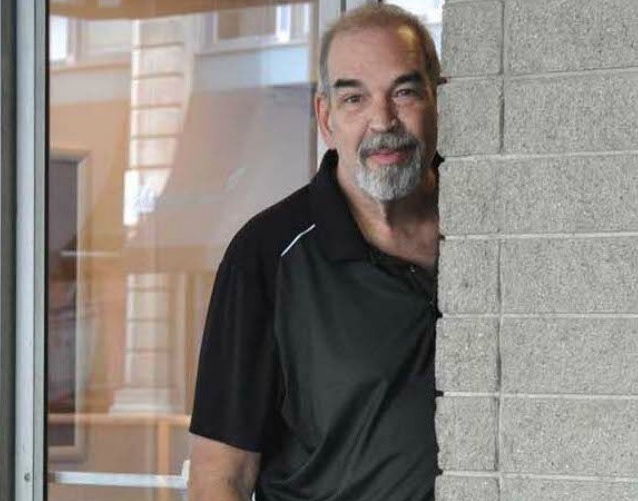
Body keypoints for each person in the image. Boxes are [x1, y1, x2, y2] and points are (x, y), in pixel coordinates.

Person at [186, 4, 444, 500]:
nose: (382, 120)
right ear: (325, 117)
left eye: (405, 92)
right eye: (354, 99)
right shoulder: (264, 257)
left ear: (439, 99)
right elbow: (220, 476)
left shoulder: (492, 228)